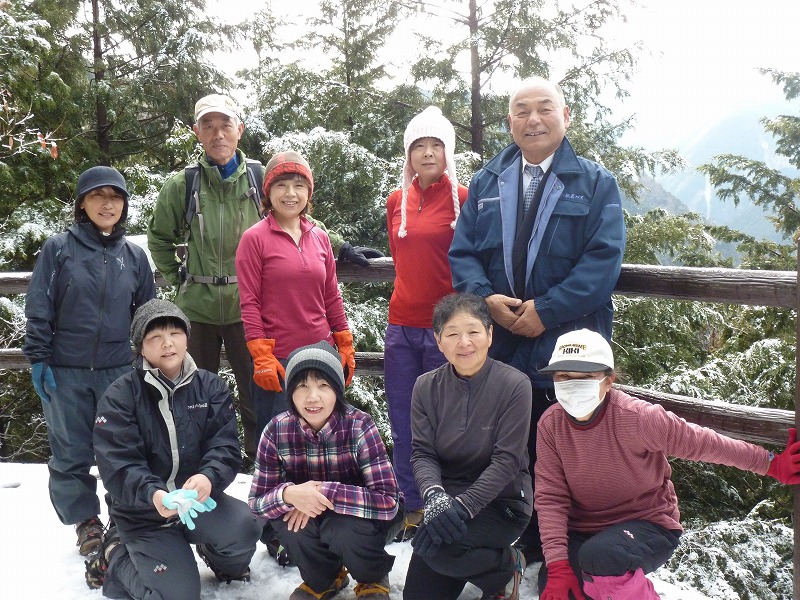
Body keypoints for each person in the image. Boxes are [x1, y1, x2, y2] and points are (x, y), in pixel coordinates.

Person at [448, 76, 626, 562]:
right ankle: (523, 538)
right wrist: (484, 300)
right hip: (502, 343)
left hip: (567, 343)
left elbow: (602, 262)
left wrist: (546, 312)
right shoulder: (487, 182)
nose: (533, 119)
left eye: (545, 108)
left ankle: (570, 548)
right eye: (522, 111)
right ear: (510, 121)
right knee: (510, 441)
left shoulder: (595, 183)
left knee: (571, 444)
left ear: (565, 116)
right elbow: (463, 253)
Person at [147, 94, 373, 462]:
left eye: (225, 125)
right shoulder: (184, 183)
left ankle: (259, 465)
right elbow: (159, 237)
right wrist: (179, 278)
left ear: (239, 129)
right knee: (194, 395)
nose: (218, 134)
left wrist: (340, 246)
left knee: (258, 396)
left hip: (249, 311)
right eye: (208, 126)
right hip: (199, 307)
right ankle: (204, 466)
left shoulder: (257, 177)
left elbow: (297, 219)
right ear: (197, 132)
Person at [534, 328, 800, 600]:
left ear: (608, 380)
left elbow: (705, 443)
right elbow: (551, 497)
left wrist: (770, 464)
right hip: (585, 531)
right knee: (561, 588)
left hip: (647, 524)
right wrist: (558, 566)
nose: (573, 385)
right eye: (564, 377)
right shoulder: (551, 425)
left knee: (602, 559)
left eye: (585, 377)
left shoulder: (637, 418)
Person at [87, 298, 262, 598]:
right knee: (177, 595)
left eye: (175, 333)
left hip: (197, 504)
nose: (167, 343)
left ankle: (215, 555)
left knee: (246, 527)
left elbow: (224, 446)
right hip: (144, 514)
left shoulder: (210, 387)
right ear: (141, 348)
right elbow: (118, 463)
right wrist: (153, 494)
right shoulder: (120, 396)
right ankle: (114, 556)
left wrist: (208, 477)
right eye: (155, 337)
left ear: (187, 338)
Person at [23, 166, 155, 556]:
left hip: (118, 371)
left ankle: (124, 516)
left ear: (124, 205)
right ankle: (86, 522)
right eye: (98, 195)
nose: (107, 204)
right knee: (70, 452)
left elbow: (148, 315)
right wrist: (38, 358)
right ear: (83, 203)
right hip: (65, 370)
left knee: (123, 448)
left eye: (116, 197)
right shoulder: (58, 249)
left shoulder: (134, 256)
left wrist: (146, 364)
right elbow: (40, 305)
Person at [248, 341, 400, 600]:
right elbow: (256, 503)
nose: (312, 397)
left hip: (361, 521)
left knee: (341, 525)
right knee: (288, 519)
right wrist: (288, 495)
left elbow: (389, 502)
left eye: (323, 385)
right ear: (290, 392)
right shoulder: (276, 430)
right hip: (308, 518)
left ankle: (372, 577)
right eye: (302, 386)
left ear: (337, 390)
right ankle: (324, 579)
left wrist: (322, 493)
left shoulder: (360, 425)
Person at [404, 293, 531, 600]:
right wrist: (434, 496)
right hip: (446, 499)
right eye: (452, 334)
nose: (464, 343)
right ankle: (478, 565)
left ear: (490, 335)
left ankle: (506, 566)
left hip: (502, 504)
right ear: (438, 341)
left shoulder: (515, 385)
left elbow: (506, 461)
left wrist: (462, 507)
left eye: (473, 331)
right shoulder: (425, 387)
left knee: (441, 551)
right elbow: (423, 453)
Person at [384, 106, 468, 541]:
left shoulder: (465, 198)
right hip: (401, 325)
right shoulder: (396, 201)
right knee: (404, 419)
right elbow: (400, 258)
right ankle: (412, 504)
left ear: (448, 152)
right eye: (420, 145)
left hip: (447, 329)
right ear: (409, 154)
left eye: (437, 145)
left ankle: (448, 503)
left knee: (448, 422)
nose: (429, 153)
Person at [236, 150, 355, 437]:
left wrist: (344, 343)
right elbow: (249, 303)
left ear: (308, 192)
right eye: (281, 185)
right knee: (280, 441)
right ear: (268, 191)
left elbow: (331, 297)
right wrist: (261, 356)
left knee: (326, 438)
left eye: (299, 185)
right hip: (279, 361)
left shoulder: (320, 237)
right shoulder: (254, 239)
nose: (290, 193)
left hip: (322, 354)